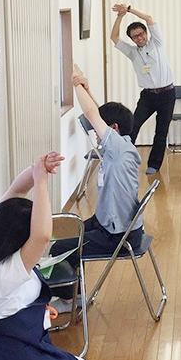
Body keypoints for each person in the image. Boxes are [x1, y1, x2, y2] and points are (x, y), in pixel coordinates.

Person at [0, 153, 100, 360]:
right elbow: (41, 236)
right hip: (3, 358)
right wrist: (41, 183)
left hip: (22, 343)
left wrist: (38, 170)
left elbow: (15, 192)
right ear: (18, 241)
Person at [49, 65, 143, 313]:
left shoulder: (118, 151)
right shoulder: (122, 145)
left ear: (112, 129)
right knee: (67, 231)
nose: (96, 135)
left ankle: (70, 300)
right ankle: (72, 294)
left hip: (118, 236)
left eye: (101, 131)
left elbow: (92, 114)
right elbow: (99, 116)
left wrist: (76, 84)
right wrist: (88, 89)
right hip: (109, 223)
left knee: (61, 247)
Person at [111, 3, 175, 175]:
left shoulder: (157, 43)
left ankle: (154, 165)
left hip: (167, 94)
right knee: (132, 125)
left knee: (161, 131)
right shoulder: (132, 52)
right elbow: (114, 37)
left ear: (146, 33)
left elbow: (148, 19)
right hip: (148, 96)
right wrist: (120, 16)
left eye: (141, 34)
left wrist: (129, 9)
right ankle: (124, 159)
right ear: (132, 39)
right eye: (135, 37)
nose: (139, 38)